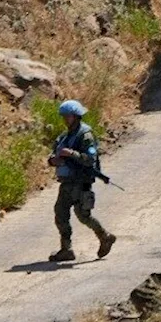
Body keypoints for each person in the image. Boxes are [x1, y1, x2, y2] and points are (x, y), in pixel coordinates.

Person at [47, 100, 116, 263]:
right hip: (67, 182)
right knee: (60, 213)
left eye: (68, 116)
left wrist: (71, 154)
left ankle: (105, 237)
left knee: (83, 216)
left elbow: (89, 160)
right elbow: (53, 154)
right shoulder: (64, 136)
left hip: (80, 181)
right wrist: (53, 161)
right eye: (63, 116)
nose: (65, 119)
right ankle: (66, 249)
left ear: (76, 116)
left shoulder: (85, 135)